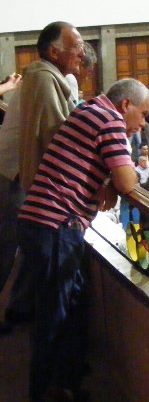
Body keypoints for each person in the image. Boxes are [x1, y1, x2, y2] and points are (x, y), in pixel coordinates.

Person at [16, 78, 149, 400]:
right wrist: (114, 179)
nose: (143, 123)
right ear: (126, 105)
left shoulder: (89, 109)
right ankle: (44, 392)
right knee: (55, 316)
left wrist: (106, 180)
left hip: (45, 223)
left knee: (71, 305)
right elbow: (128, 181)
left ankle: (65, 383)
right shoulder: (110, 120)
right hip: (56, 226)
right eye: (144, 114)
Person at [0, 22, 84, 331]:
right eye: (76, 47)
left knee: (25, 245)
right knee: (7, 246)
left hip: (18, 173)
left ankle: (19, 307)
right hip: (11, 173)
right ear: (54, 51)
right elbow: (57, 134)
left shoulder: (47, 76)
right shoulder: (44, 78)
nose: (81, 53)